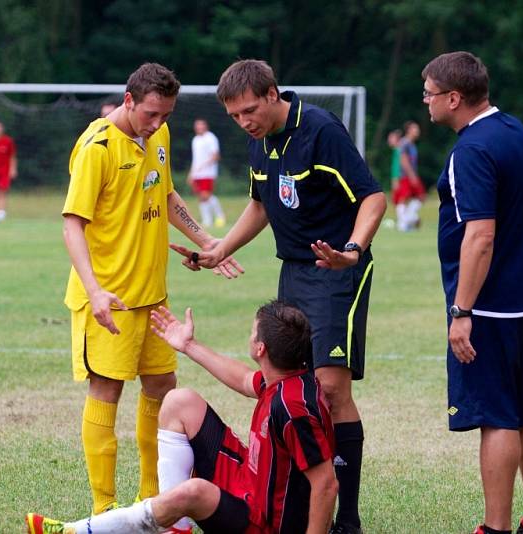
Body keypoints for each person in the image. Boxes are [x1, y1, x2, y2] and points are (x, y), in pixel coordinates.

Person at [171, 59, 386, 534]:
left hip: (335, 271)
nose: (244, 121)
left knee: (330, 389)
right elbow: (261, 204)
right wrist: (218, 248)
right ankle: (303, 508)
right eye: (234, 116)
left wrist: (352, 250)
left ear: (273, 94)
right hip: (293, 271)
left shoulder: (321, 130)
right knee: (294, 390)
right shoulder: (259, 143)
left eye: (249, 110)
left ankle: (344, 521)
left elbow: (373, 197)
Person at [60, 62, 242, 521]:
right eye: (150, 114)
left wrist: (207, 242)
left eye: (166, 115)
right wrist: (95, 290)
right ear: (128, 101)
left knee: (162, 386)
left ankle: (150, 498)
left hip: (152, 295)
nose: (158, 123)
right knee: (107, 390)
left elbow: (166, 195)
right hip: (109, 299)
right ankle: (104, 508)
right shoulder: (96, 147)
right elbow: (72, 225)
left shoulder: (157, 136)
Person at [26, 301, 338, 534]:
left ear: (260, 348)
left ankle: (78, 530)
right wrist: (188, 345)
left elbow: (326, 485)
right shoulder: (285, 379)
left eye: (251, 330)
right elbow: (244, 379)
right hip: (249, 483)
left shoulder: (294, 408)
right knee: (180, 402)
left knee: (195, 491)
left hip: (262, 523)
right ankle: (176, 529)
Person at [423, 51, 523, 534]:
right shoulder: (515, 130)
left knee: (498, 419)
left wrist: (462, 310)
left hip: (489, 309)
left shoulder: (471, 150)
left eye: (430, 93)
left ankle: (495, 528)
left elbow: (481, 235)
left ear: (454, 98)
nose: (426, 100)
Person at [188, 118, 226, 228]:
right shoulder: (195, 140)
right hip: (197, 173)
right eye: (197, 125)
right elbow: (195, 159)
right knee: (201, 197)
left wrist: (203, 166)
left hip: (208, 173)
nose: (199, 127)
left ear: (206, 126)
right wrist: (191, 173)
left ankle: (220, 216)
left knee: (206, 195)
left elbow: (215, 156)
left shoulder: (210, 138)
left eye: (201, 125)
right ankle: (207, 220)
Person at [392, 121, 424, 231]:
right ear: (409, 130)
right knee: (404, 198)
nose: (417, 131)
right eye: (415, 128)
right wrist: (412, 176)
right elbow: (403, 160)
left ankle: (409, 219)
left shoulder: (411, 144)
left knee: (418, 197)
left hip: (410, 175)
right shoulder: (405, 143)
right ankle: (404, 223)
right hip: (406, 176)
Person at [387, 129, 402, 193]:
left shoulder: (400, 150)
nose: (389, 140)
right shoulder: (395, 150)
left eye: (391, 138)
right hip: (395, 176)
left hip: (399, 176)